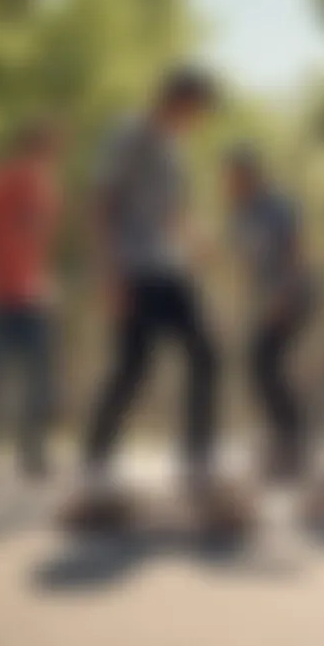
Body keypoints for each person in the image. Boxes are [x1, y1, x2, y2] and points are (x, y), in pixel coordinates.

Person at [63, 67, 233, 533]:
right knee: (132, 367)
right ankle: (95, 468)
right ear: (175, 100)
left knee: (206, 353)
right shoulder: (129, 133)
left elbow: (172, 212)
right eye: (195, 111)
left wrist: (201, 243)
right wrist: (108, 275)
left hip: (167, 269)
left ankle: (196, 461)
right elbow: (100, 203)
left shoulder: (174, 150)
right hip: (132, 270)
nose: (196, 121)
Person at [0, 120, 62, 487]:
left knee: (40, 378)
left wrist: (45, 284)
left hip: (31, 296)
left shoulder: (48, 191)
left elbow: (39, 246)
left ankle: (32, 454)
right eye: (43, 149)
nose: (47, 158)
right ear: (26, 147)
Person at [224, 145, 313, 482]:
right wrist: (251, 304)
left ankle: (292, 443)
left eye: (235, 178)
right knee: (263, 365)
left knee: (264, 362)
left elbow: (296, 251)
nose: (230, 185)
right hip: (269, 298)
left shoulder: (276, 206)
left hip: (296, 293)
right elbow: (246, 264)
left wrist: (284, 295)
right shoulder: (238, 214)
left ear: (251, 176)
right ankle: (286, 440)